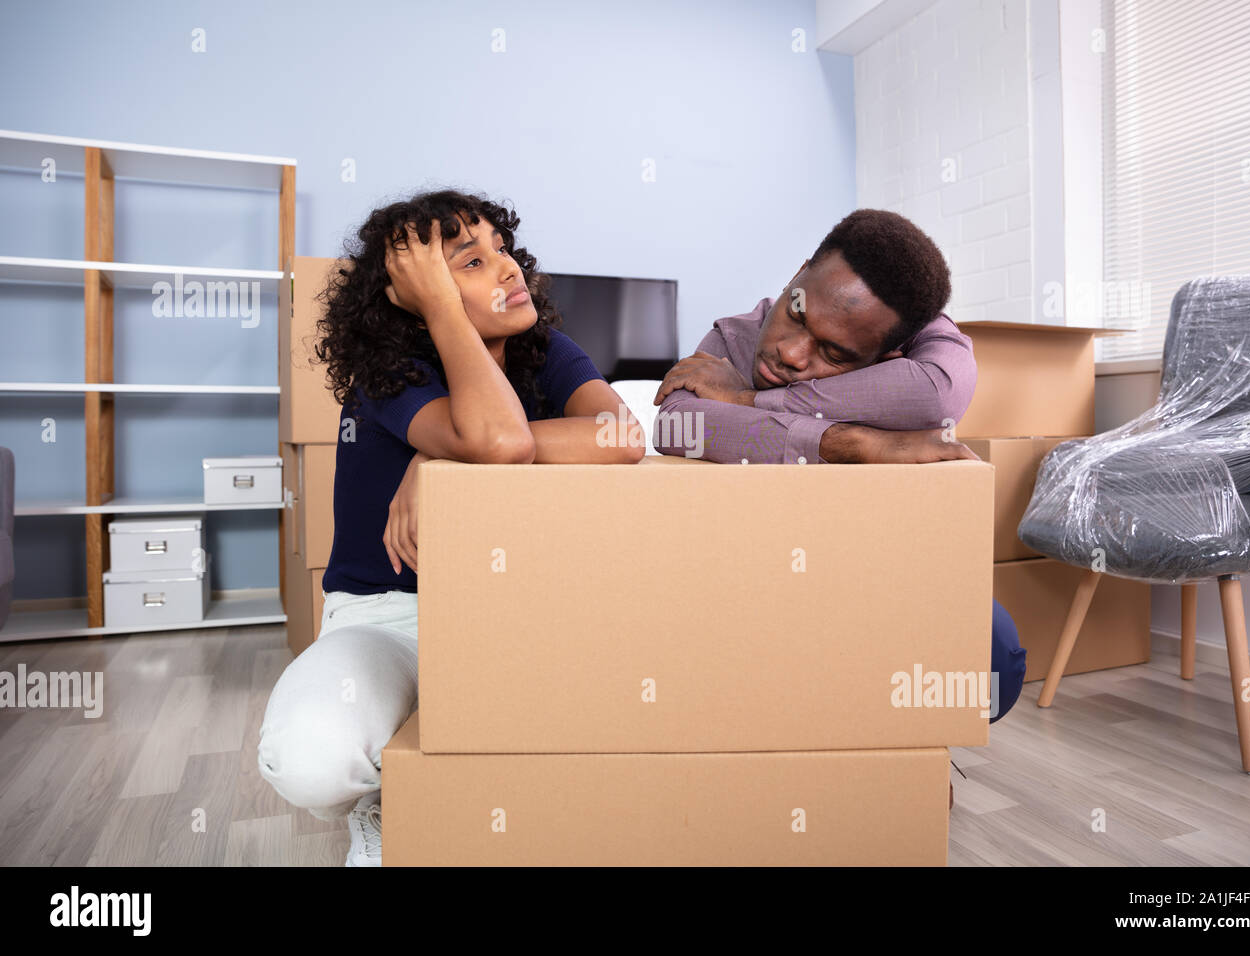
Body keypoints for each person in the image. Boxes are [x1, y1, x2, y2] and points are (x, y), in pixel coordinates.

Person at [257, 190, 643, 866]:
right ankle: (384, 798)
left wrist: (441, 458)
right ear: (412, 293)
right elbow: (498, 441)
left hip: (516, 617)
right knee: (308, 755)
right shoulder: (391, 374)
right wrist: (467, 432)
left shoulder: (544, 350)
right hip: (388, 619)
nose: (508, 268)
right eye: (469, 262)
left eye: (502, 249)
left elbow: (623, 433)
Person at [652, 209, 1027, 747]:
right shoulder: (732, 337)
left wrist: (746, 400)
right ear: (797, 274)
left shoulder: (919, 342)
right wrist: (853, 442)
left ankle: (912, 746)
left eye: (833, 354)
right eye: (797, 314)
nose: (789, 353)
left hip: (876, 564)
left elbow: (937, 396)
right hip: (757, 566)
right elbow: (678, 423)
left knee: (993, 658)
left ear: (892, 353)